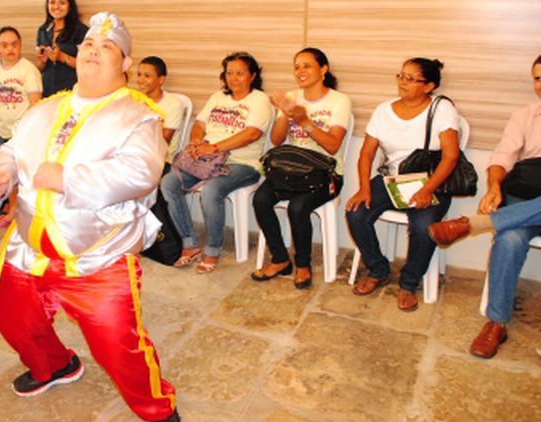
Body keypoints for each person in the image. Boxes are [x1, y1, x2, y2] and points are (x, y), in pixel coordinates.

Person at [0, 12, 178, 422]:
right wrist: (2, 172)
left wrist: (69, 178)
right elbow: (16, 148)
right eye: (88, 45)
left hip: (98, 256)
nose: (93, 51)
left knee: (118, 345)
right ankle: (55, 365)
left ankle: (158, 410)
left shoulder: (137, 114)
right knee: (12, 316)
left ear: (124, 63)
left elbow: (141, 172)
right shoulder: (47, 107)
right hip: (29, 246)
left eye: (106, 47)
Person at [428, 55, 541, 358]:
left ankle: (475, 224)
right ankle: (497, 322)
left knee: (504, 227)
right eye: (537, 78)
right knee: (509, 237)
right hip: (527, 195)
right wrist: (494, 186)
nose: (540, 85)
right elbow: (503, 157)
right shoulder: (525, 116)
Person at [345, 58, 461, 312]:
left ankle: (408, 283)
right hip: (393, 179)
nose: (402, 82)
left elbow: (451, 156)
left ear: (429, 85)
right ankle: (378, 268)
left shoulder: (442, 110)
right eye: (401, 76)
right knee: (356, 212)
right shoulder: (384, 110)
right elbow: (366, 154)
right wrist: (364, 188)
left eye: (411, 78)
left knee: (423, 226)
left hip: (432, 182)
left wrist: (427, 189)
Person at [161, 52, 273, 274]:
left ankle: (212, 250)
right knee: (169, 183)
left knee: (211, 190)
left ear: (252, 75)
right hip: (206, 160)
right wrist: (195, 142)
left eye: (239, 73)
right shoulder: (217, 97)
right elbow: (200, 124)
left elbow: (251, 134)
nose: (233, 78)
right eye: (229, 73)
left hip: (243, 163)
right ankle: (189, 244)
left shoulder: (259, 100)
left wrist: (213, 148)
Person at [251, 48, 350, 288]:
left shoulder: (339, 101)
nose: (300, 71)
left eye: (307, 66)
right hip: (291, 171)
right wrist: (285, 113)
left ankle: (303, 265)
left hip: (325, 174)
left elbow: (332, 145)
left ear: (323, 69)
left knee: (298, 207)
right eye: (297, 66)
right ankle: (280, 259)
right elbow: (276, 140)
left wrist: (304, 121)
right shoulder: (292, 96)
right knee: (261, 199)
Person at [0, 26, 42, 229]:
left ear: (20, 45)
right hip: (1, 130)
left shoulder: (28, 70)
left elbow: (36, 103)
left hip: (23, 133)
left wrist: (28, 133)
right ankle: (11, 209)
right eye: (4, 45)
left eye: (14, 44)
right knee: (6, 174)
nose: (10, 49)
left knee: (23, 174)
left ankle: (20, 213)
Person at [36, 0, 88, 97]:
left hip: (72, 91)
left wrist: (62, 57)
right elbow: (40, 69)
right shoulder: (43, 30)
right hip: (48, 90)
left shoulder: (81, 31)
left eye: (62, 3)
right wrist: (42, 61)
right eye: (52, 2)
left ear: (70, 6)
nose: (56, 6)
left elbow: (86, 65)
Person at [135, 56, 185, 171]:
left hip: (160, 160)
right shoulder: (133, 100)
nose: (141, 80)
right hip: (134, 155)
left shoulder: (174, 104)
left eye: (147, 76)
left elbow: (163, 140)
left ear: (161, 80)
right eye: (139, 75)